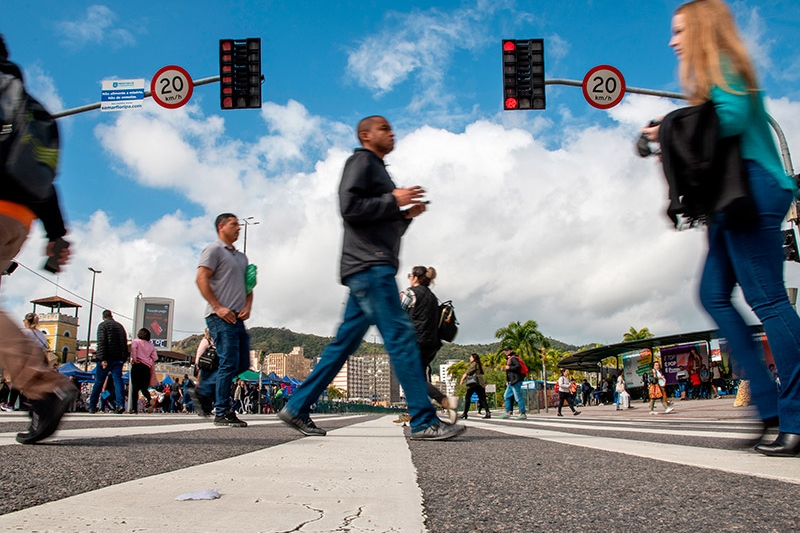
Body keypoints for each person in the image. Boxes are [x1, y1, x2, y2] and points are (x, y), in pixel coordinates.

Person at [643, 0, 800, 456]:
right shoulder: (712, 79)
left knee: (768, 299)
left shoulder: (727, 66)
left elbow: (728, 120)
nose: (672, 41)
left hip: (753, 187)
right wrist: (671, 131)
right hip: (729, 198)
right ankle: (769, 407)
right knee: (713, 294)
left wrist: (669, 127)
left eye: (678, 31)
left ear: (702, 30)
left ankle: (793, 414)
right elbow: (711, 129)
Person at [277, 116, 464, 441]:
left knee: (341, 347)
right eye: (384, 128)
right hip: (370, 267)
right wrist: (395, 200)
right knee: (402, 339)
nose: (391, 133)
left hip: (368, 266)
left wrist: (405, 215)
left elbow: (380, 223)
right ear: (366, 135)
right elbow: (350, 207)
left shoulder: (379, 170)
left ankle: (296, 406)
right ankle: (422, 419)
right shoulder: (361, 161)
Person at [0, 35, 77, 443]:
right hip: (20, 219)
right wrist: (56, 234)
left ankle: (44, 387)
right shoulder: (29, 106)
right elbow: (46, 179)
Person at [195, 213, 253, 428]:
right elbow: (201, 278)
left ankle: (203, 390)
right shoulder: (213, 250)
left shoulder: (242, 258)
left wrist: (248, 305)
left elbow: (249, 287)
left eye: (239, 224)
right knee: (228, 361)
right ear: (221, 227)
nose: (238, 228)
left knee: (242, 363)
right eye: (234, 224)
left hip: (237, 316)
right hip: (218, 316)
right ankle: (222, 411)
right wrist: (218, 307)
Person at [402, 265, 458, 423]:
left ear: (415, 277)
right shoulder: (433, 298)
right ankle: (418, 412)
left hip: (415, 342)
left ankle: (444, 401)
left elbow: (396, 313)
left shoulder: (410, 293)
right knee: (417, 377)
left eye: (410, 276)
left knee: (413, 379)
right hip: (432, 344)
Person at [88, 310, 128, 414]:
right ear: (111, 316)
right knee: (118, 381)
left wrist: (102, 359)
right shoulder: (120, 327)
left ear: (103, 317)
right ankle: (120, 405)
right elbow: (124, 343)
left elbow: (102, 343)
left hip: (106, 358)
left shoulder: (102, 326)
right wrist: (123, 358)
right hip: (118, 359)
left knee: (99, 382)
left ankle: (92, 406)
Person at [129, 328, 157, 414]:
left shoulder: (136, 341)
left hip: (137, 365)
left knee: (135, 388)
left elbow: (133, 349)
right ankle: (149, 399)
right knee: (143, 387)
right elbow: (155, 357)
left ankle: (134, 409)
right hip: (146, 367)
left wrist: (135, 358)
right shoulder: (151, 345)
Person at [499, 347, 527, 420]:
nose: (506, 352)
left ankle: (523, 413)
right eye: (505, 351)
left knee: (518, 397)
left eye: (507, 350)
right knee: (506, 396)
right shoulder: (510, 358)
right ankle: (508, 412)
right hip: (511, 381)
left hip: (516, 380)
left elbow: (518, 366)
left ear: (511, 350)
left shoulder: (513, 358)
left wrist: (509, 367)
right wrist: (508, 381)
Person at [459, 353, 490, 419]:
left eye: (471, 357)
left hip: (474, 383)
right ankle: (487, 412)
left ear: (473, 358)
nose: (470, 358)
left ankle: (465, 413)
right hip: (479, 383)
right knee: (482, 398)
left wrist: (462, 380)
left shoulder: (474, 364)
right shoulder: (478, 364)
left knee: (468, 397)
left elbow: (467, 372)